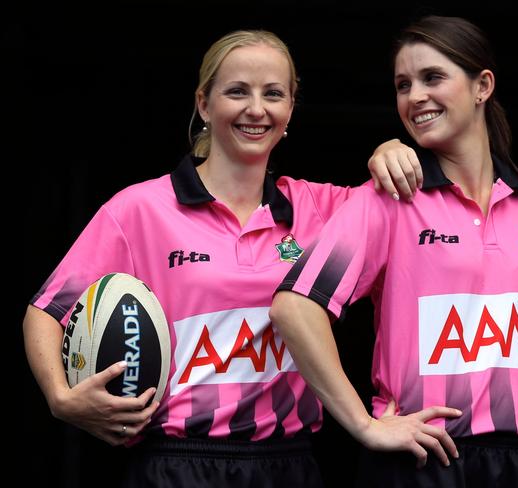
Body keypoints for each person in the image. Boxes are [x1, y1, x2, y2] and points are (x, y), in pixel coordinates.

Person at [22, 29, 425, 488]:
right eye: (237, 91)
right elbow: (47, 311)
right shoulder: (139, 209)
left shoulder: (322, 209)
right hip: (176, 464)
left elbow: (388, 204)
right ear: (203, 104)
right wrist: (59, 397)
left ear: (290, 108)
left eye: (273, 94)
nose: (257, 109)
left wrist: (388, 151)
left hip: (290, 465)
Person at [270, 15, 518, 487]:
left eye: (433, 78)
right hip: (422, 463)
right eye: (402, 84)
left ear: (483, 86)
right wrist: (363, 425)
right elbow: (295, 307)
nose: (415, 97)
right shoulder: (387, 200)